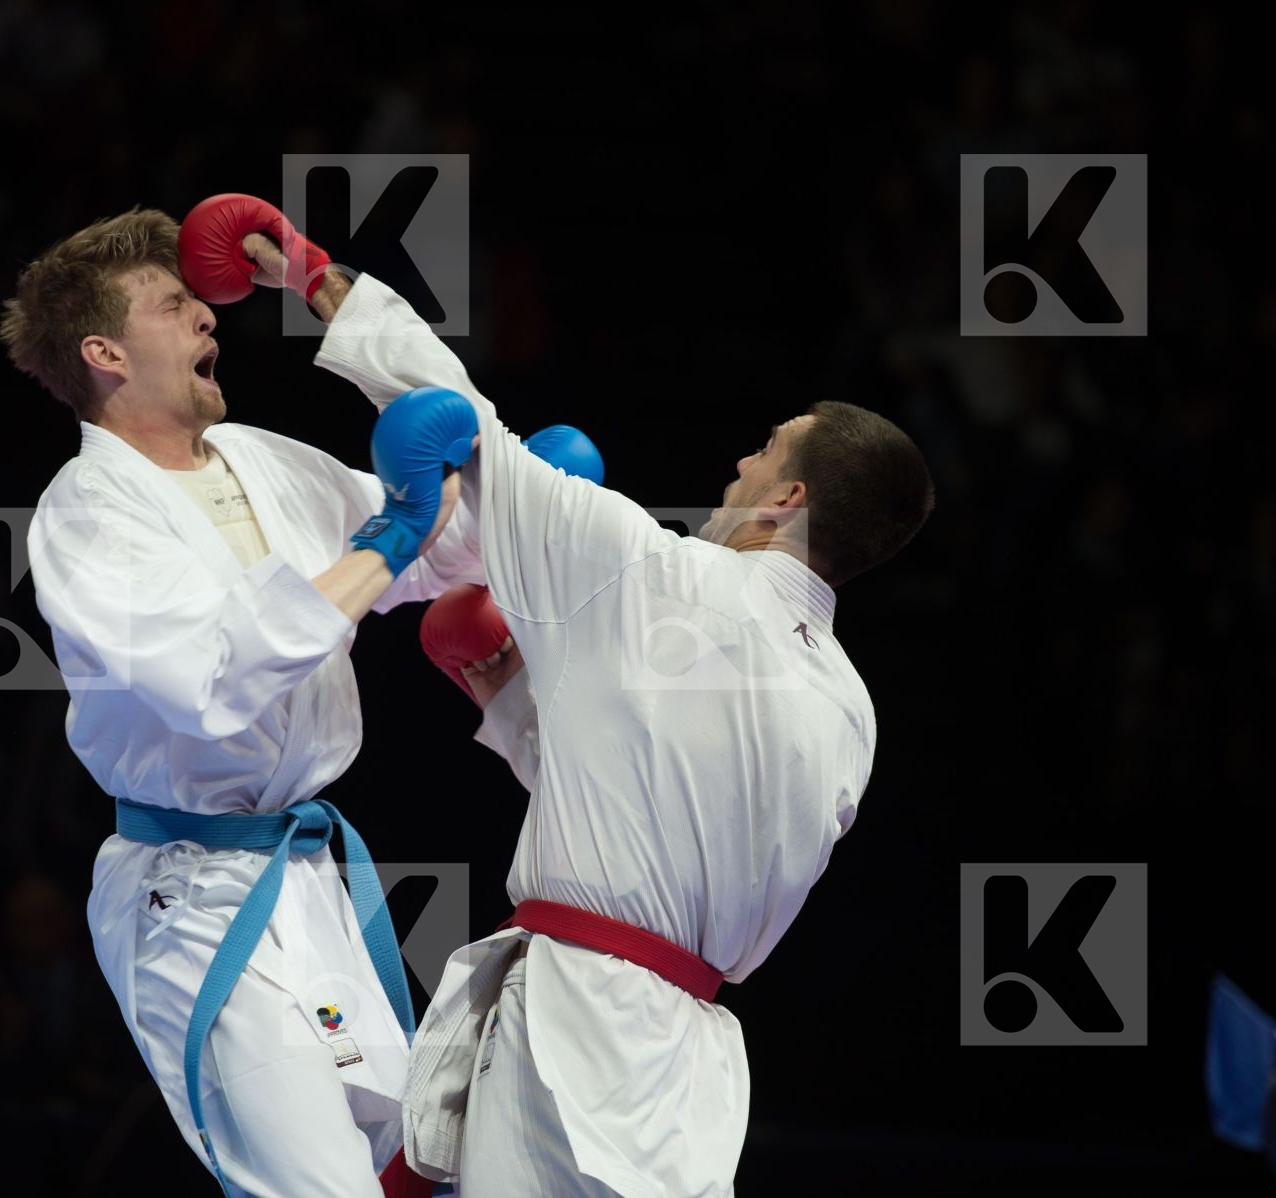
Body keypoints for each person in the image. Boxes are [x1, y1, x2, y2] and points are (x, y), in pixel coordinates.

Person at [313, 320, 933, 1194]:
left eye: (765, 449)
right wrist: (513, 704)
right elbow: (660, 817)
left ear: (785, 499)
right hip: (687, 1067)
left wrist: (318, 280)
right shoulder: (851, 711)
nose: (740, 462)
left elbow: (461, 425)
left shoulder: (652, 570)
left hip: (575, 1018)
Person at [0, 199, 486, 1195]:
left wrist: (318, 279)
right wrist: (385, 541)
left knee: (421, 1167)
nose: (208, 315)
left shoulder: (264, 461)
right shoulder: (88, 513)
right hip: (190, 894)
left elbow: (453, 533)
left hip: (304, 878)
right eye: (172, 306)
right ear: (105, 354)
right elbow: (210, 683)